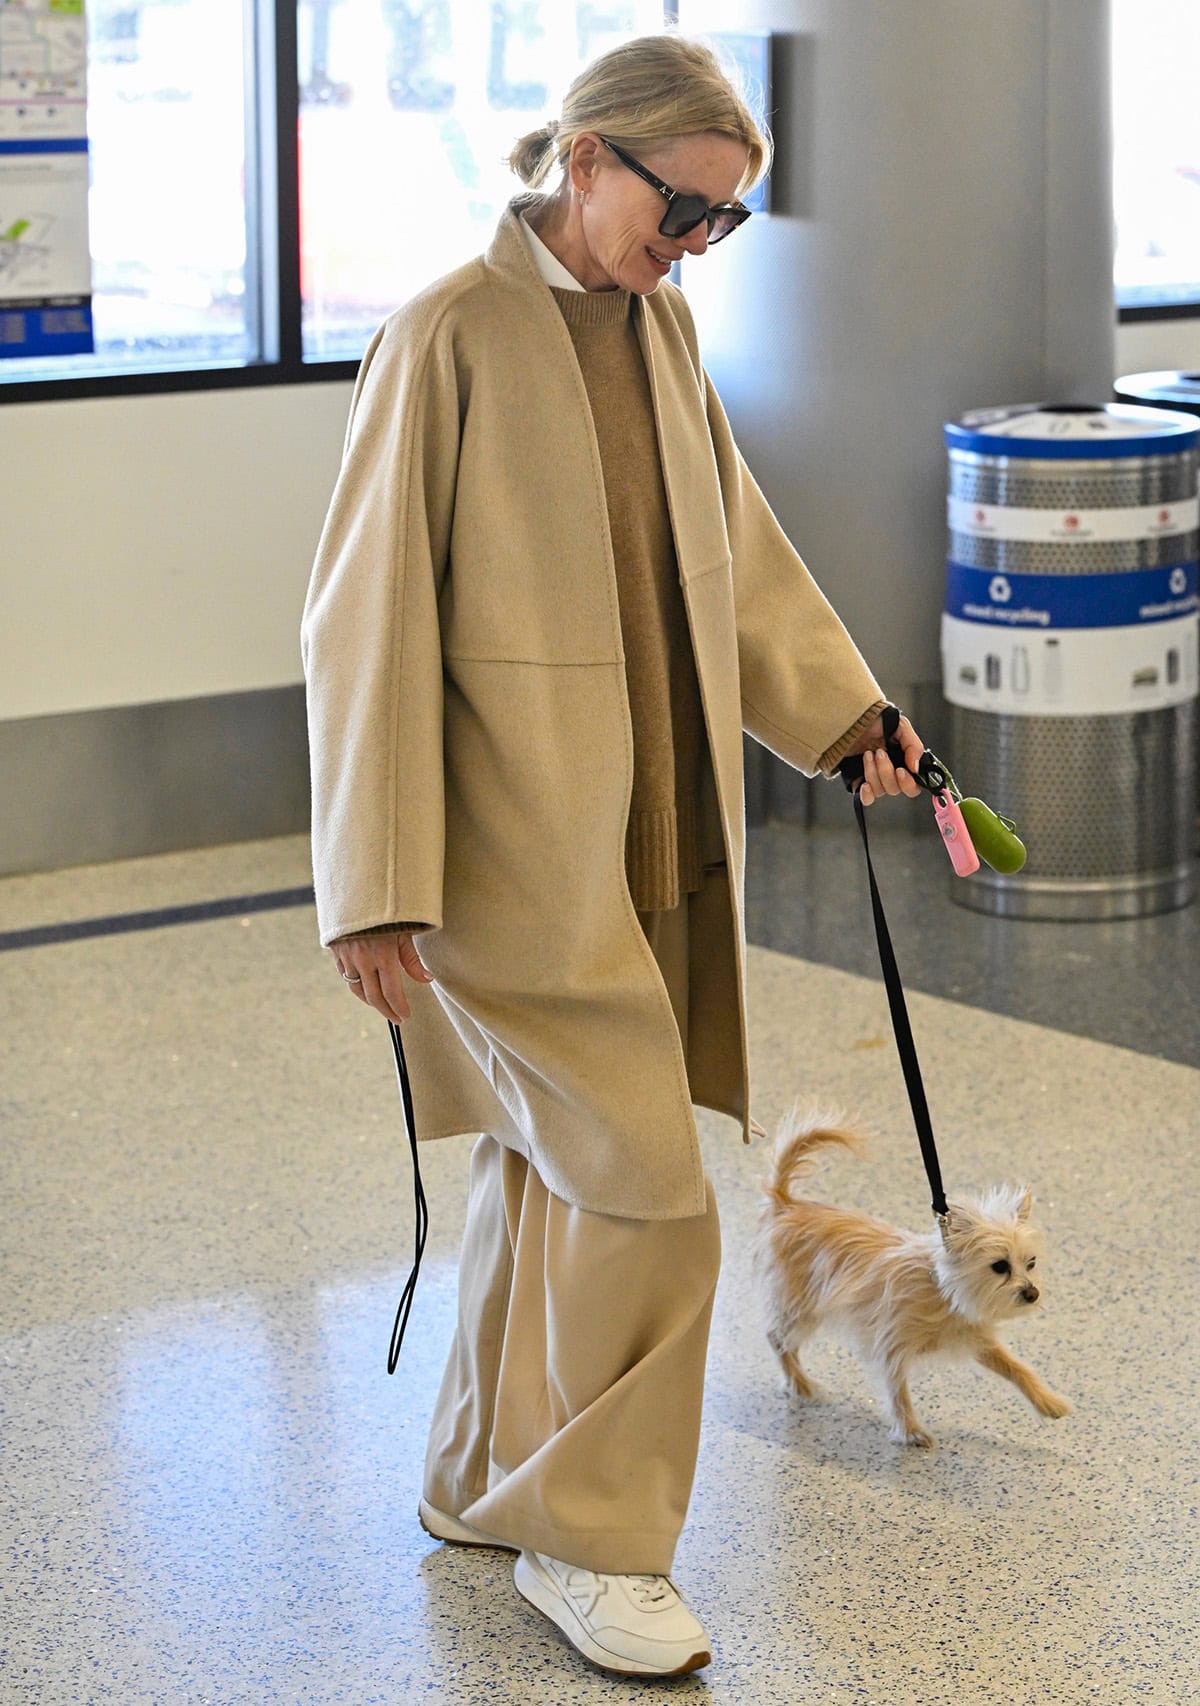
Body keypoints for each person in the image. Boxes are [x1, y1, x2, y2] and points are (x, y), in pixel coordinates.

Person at [301, 30, 925, 1682]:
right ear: (584, 157)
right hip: (514, 864)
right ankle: (596, 1541)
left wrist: (850, 715)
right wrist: (371, 883)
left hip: (654, 843)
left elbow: (740, 552)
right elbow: (356, 621)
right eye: (683, 206)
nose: (696, 243)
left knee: (543, 1164)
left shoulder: (660, 329)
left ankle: (477, 1482)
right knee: (648, 1189)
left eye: (723, 223)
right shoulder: (445, 335)